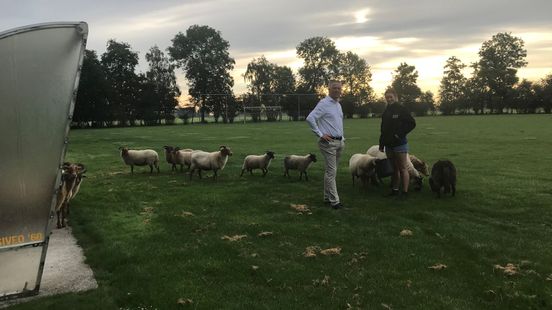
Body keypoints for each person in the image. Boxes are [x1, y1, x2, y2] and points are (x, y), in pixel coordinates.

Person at [306, 80, 345, 209]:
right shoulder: (323, 103)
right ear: (328, 89)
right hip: (328, 143)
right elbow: (310, 118)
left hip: (339, 142)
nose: (337, 90)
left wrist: (342, 138)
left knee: (330, 172)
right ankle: (335, 202)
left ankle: (327, 197)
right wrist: (320, 133)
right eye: (334, 88)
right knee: (331, 172)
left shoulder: (338, 105)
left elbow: (337, 124)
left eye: (339, 88)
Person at [379, 88, 416, 198]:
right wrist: (381, 144)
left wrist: (399, 134)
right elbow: (383, 129)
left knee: (403, 168)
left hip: (400, 144)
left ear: (396, 97)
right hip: (388, 145)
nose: (389, 99)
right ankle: (394, 189)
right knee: (393, 169)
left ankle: (404, 192)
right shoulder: (386, 111)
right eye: (387, 97)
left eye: (391, 97)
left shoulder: (401, 109)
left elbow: (411, 123)